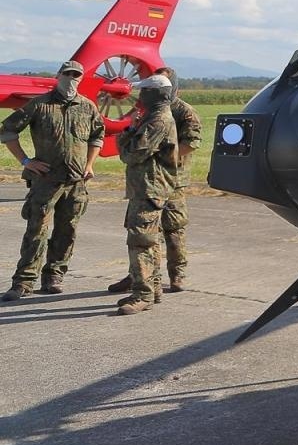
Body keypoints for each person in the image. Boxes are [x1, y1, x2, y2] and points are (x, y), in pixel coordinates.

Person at [1, 60, 106, 300]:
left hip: (76, 182)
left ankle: (54, 276)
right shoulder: (39, 105)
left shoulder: (87, 107)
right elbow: (8, 130)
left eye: (76, 75)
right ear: (58, 76)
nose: (72, 78)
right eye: (67, 74)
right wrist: (26, 161)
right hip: (45, 181)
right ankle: (23, 282)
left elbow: (97, 136)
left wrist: (90, 164)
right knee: (36, 230)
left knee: (67, 230)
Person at [108, 65, 200, 295]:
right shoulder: (147, 112)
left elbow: (192, 143)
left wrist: (165, 156)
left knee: (174, 228)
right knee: (146, 232)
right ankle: (139, 275)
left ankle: (176, 274)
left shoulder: (182, 111)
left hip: (173, 179)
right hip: (150, 181)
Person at [113, 74, 179, 315]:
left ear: (154, 94)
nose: (139, 96)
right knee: (150, 241)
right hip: (145, 188)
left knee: (140, 241)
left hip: (149, 189)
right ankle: (153, 288)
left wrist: (123, 137)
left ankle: (143, 295)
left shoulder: (157, 122)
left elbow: (132, 154)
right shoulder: (153, 118)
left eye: (144, 91)